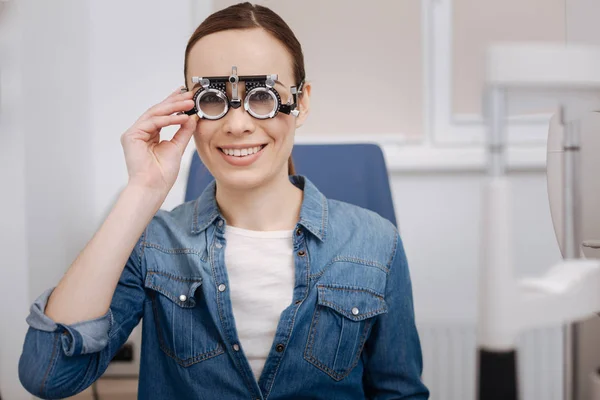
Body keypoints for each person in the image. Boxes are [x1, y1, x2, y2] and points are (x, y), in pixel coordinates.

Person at [18, 2, 429, 399]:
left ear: (300, 103)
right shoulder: (153, 245)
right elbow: (49, 374)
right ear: (187, 107)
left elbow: (399, 393)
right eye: (212, 98)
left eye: (263, 96)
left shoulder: (377, 244)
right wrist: (141, 191)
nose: (236, 124)